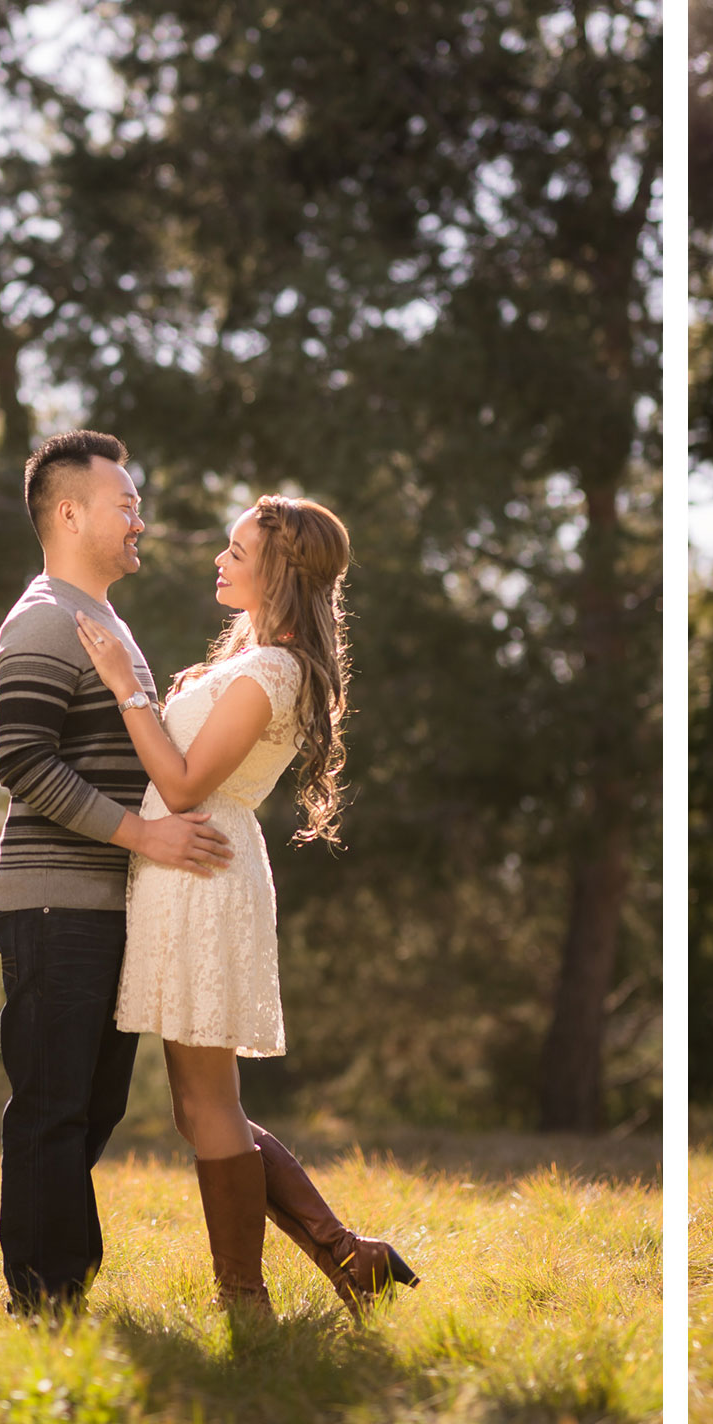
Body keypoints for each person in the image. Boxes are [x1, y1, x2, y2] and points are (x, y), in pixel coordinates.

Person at [73, 493, 419, 1318]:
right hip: (181, 871)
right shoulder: (252, 658)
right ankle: (348, 1257)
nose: (221, 561)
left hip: (203, 874)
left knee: (209, 1106)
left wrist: (128, 687)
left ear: (278, 570)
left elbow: (184, 782)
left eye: (236, 550)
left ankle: (245, 1296)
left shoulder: (274, 669)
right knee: (200, 1107)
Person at [0, 429, 235, 1315]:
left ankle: (57, 1285)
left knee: (91, 1108)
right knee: (55, 1106)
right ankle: (47, 1300)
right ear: (68, 511)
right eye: (124, 503)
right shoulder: (44, 620)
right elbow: (20, 761)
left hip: (104, 903)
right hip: (53, 903)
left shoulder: (102, 623)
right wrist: (144, 837)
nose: (141, 518)